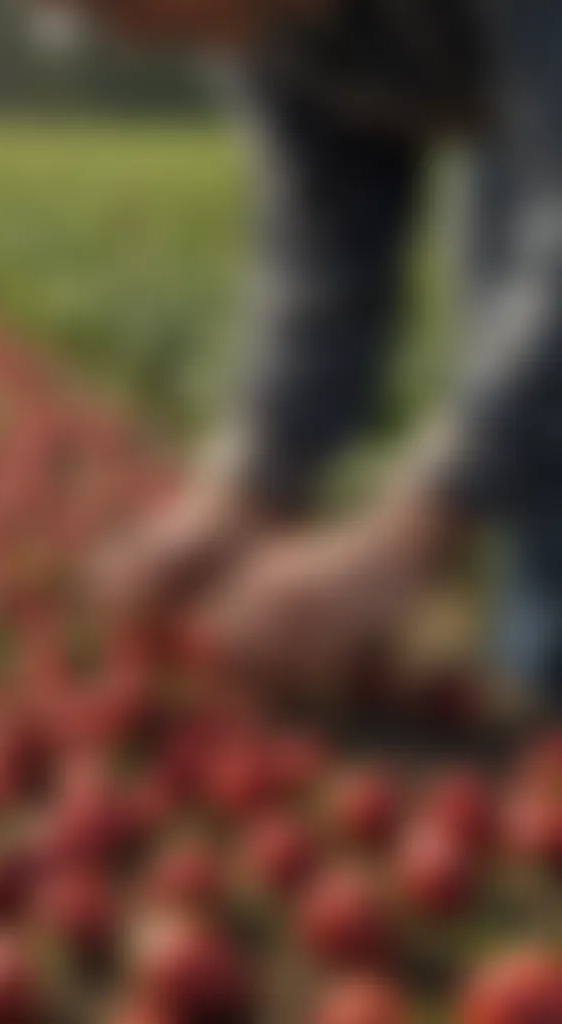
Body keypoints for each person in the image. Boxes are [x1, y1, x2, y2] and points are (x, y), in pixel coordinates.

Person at [73, 0, 562, 710]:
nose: (84, 22)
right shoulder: (262, 30)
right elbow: (324, 259)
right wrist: (242, 492)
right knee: (515, 371)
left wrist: (410, 533)